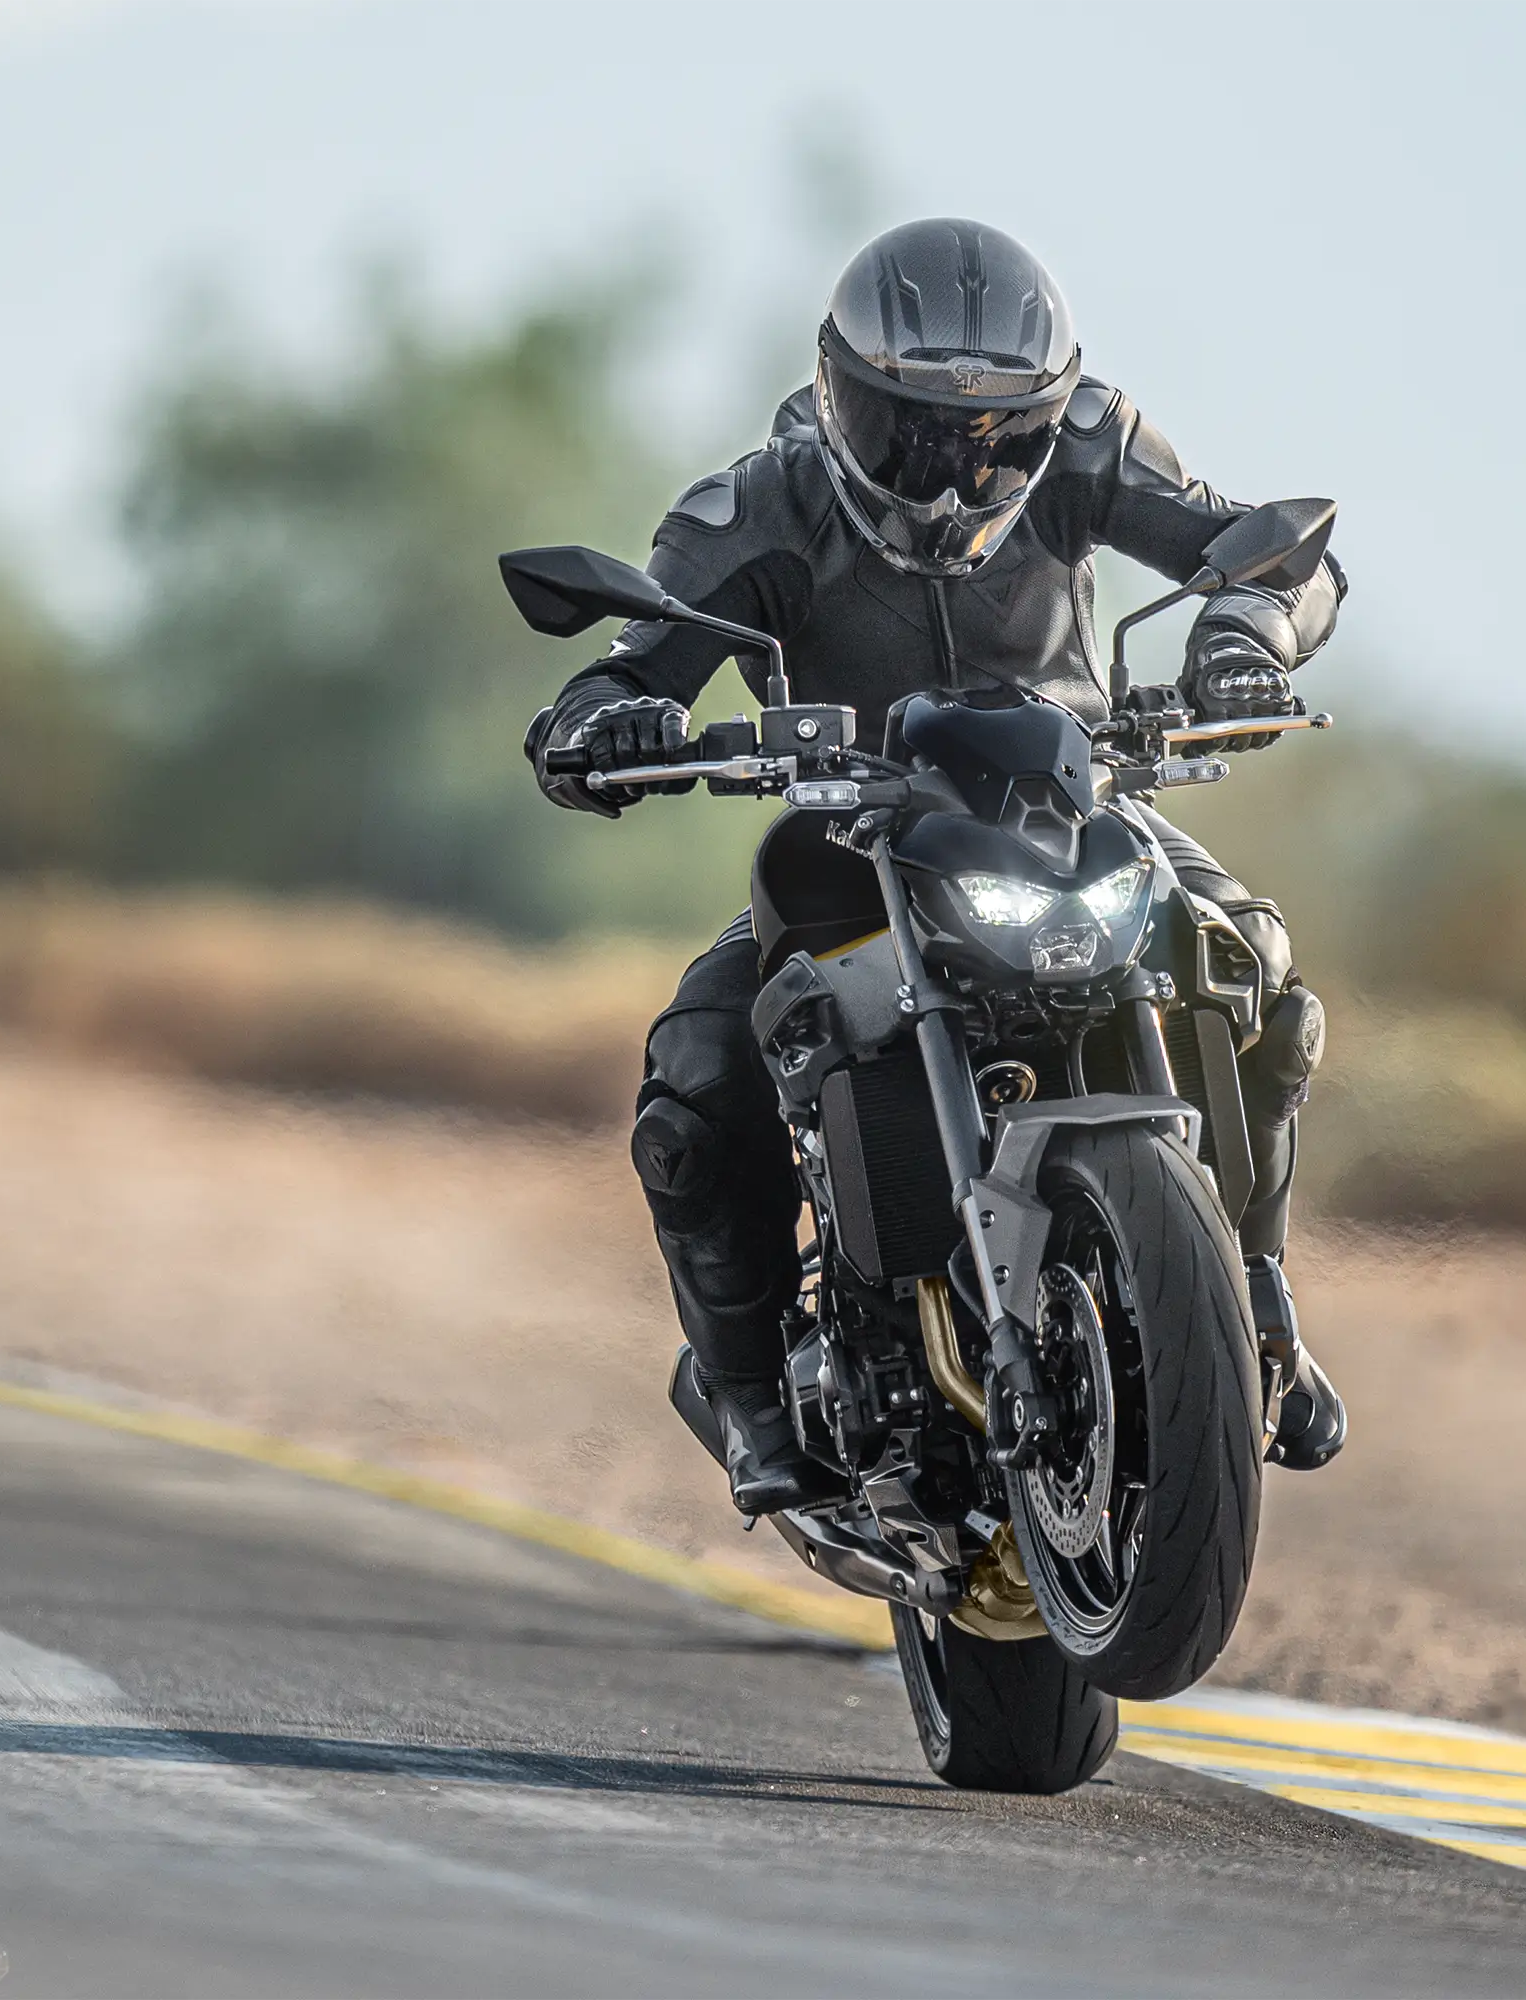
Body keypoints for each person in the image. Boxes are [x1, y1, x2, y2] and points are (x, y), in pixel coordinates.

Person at [525, 218, 1347, 1515]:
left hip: (1070, 805)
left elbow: (1277, 551)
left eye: (1000, 440)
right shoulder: (757, 509)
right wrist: (606, 716)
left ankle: (1253, 1290)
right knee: (702, 1063)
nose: (959, 478)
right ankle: (750, 1400)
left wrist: (1245, 628)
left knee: (1254, 968)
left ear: (1051, 411)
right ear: (841, 394)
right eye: (914, 433)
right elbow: (629, 661)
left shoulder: (1093, 446)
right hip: (853, 837)